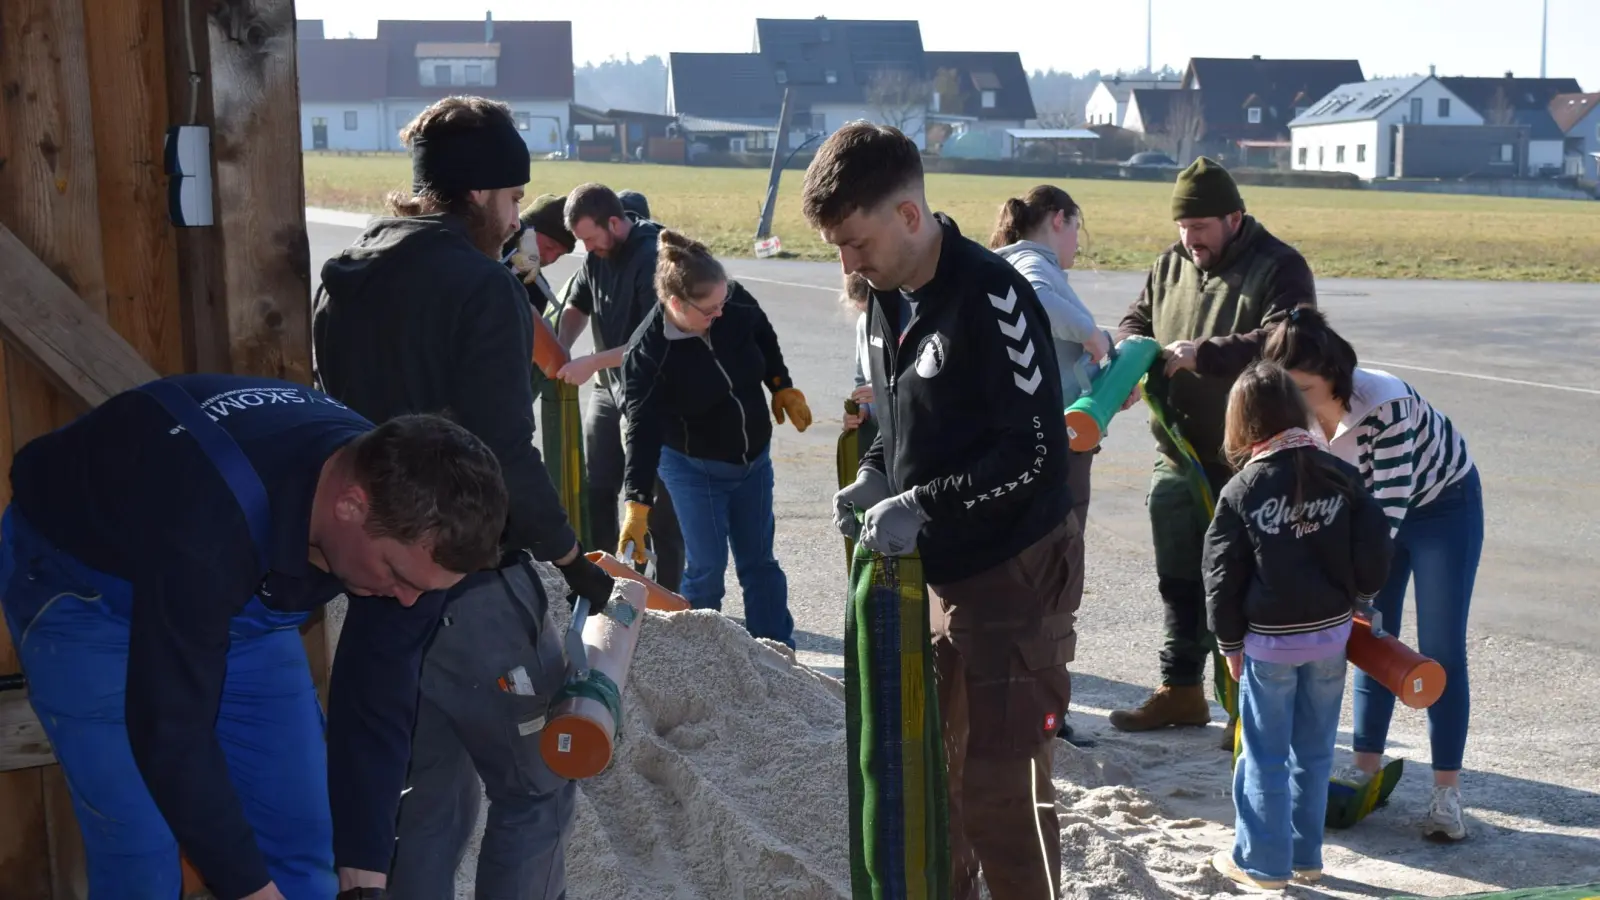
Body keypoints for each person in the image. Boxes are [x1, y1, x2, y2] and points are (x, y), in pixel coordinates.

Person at [0, 374, 508, 900]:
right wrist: (249, 890)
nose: (408, 602)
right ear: (351, 505)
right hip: (85, 592)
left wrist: (364, 876)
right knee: (142, 852)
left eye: (426, 590)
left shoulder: (412, 530)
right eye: (397, 577)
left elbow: (377, 698)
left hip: (226, 588)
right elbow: (171, 729)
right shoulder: (212, 521)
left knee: (306, 836)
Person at [311, 96, 614, 899]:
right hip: (467, 577)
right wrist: (568, 555)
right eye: (512, 199)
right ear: (478, 191)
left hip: (379, 576)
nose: (516, 220)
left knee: (427, 801)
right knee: (537, 784)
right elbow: (503, 451)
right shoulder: (479, 287)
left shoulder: (349, 275)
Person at [810, 121, 1080, 900]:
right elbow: (899, 425)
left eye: (856, 242)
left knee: (1005, 790)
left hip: (1014, 571)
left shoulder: (993, 297)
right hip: (936, 572)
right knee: (942, 779)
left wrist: (920, 504)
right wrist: (873, 475)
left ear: (907, 215)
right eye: (838, 247)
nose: (847, 264)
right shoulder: (884, 299)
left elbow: (1033, 455)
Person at [1109, 156, 1317, 749]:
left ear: (1234, 219)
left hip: (1254, 458)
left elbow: (1288, 339)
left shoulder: (1280, 266)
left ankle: (1248, 709)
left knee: (1248, 581)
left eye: (1200, 228)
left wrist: (1207, 353)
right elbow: (1136, 318)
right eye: (1183, 228)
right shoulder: (1169, 264)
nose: (1190, 240)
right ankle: (1181, 688)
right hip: (1178, 452)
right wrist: (1129, 354)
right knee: (1179, 575)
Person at [1262, 305, 1483, 842]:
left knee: (1440, 647)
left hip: (1441, 510)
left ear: (1335, 375)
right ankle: (1364, 768)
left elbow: (1386, 517)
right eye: (1286, 389)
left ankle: (1447, 792)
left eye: (1305, 388)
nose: (1295, 402)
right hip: (1371, 514)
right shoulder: (1289, 410)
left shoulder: (1387, 406)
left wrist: (1347, 587)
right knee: (1370, 634)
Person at [1203, 361, 1393, 890]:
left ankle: (1264, 864)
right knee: (1314, 750)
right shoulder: (1339, 473)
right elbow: (1376, 544)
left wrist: (1229, 642)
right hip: (1330, 637)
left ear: (1241, 421)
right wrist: (1363, 598)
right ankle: (1307, 855)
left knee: (1263, 755)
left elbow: (1221, 573)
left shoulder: (1243, 487)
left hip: (1269, 646)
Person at [619, 230, 810, 647]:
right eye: (709, 309)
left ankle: (777, 655)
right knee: (706, 569)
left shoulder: (732, 301)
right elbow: (642, 428)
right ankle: (702, 657)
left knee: (760, 562)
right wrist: (637, 502)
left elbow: (762, 332)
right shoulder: (648, 353)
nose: (721, 312)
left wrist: (781, 384)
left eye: (723, 302)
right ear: (676, 304)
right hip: (694, 467)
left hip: (753, 461)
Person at [554, 183, 686, 592]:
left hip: (653, 395)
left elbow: (649, 341)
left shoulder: (653, 258)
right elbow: (576, 304)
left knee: (655, 503)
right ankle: (606, 583)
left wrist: (590, 362)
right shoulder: (597, 256)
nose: (587, 248)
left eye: (590, 238)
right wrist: (561, 347)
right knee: (598, 487)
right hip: (609, 390)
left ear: (614, 222)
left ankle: (666, 595)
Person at [990, 185, 1110, 532]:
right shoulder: (1032, 263)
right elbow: (1036, 297)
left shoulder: (1009, 263)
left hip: (1030, 433)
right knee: (1059, 548)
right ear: (1059, 220)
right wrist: (1089, 333)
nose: (1077, 241)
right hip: (1054, 442)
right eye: (1076, 227)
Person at [504, 192, 578, 316]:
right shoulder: (480, 243)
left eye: (559, 255)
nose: (550, 259)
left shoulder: (537, 292)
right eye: (549, 247)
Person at [839, 271, 876, 451]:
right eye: (863, 311)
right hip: (873, 433)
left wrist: (884, 394)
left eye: (873, 310)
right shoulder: (863, 323)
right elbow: (861, 379)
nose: (870, 317)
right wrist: (860, 410)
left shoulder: (903, 323)